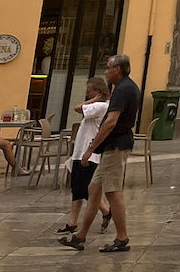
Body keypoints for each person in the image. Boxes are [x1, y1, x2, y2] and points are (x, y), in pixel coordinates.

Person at [59, 53, 139, 254]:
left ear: (117, 69)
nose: (106, 72)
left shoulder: (123, 89)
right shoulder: (126, 87)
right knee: (93, 188)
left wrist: (90, 149)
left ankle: (122, 238)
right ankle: (80, 236)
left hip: (116, 146)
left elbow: (111, 122)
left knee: (112, 192)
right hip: (112, 146)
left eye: (108, 68)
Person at [59, 79, 111, 236]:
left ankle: (106, 210)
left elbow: (78, 108)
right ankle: (72, 222)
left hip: (89, 153)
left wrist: (93, 100)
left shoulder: (100, 106)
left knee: (85, 188)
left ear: (97, 91)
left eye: (90, 91)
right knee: (76, 188)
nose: (87, 94)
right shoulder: (98, 106)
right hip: (80, 150)